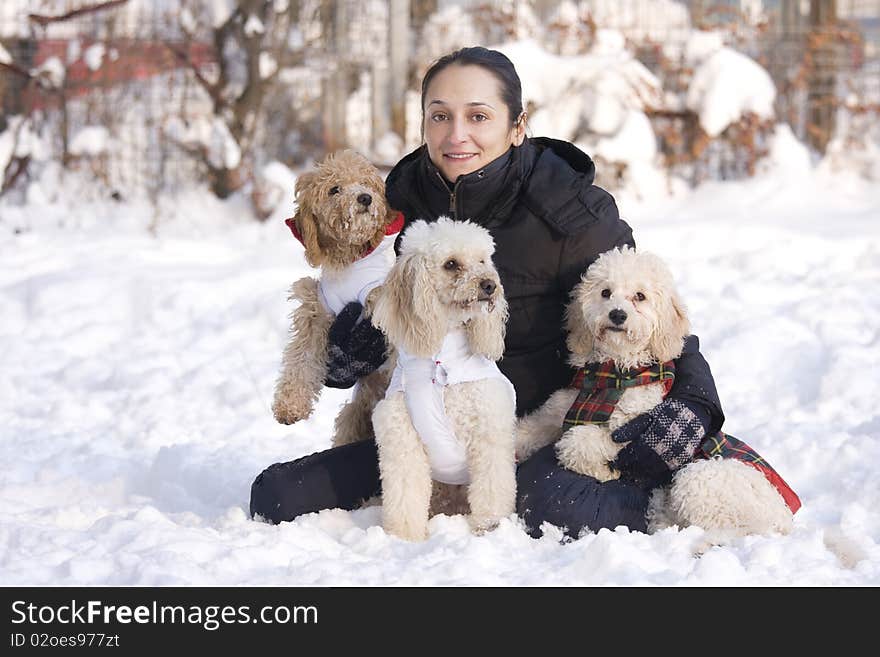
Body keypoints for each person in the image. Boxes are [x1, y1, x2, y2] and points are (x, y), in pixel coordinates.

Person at [250, 47, 724, 538]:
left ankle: (650, 503)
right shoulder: (399, 200)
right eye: (440, 116)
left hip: (541, 432)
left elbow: (647, 308)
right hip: (425, 423)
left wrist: (694, 403)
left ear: (517, 126)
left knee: (547, 504)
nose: (457, 135)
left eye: (478, 116)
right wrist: (346, 355)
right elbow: (349, 298)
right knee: (277, 494)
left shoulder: (569, 208)